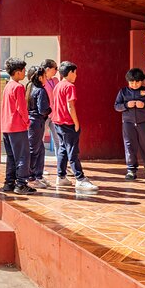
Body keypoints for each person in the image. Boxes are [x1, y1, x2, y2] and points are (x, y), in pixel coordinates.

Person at [52, 61, 99, 192]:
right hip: (68, 123)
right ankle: (80, 178)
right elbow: (70, 106)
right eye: (75, 72)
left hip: (58, 123)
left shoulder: (58, 86)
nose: (76, 75)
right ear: (70, 72)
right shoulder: (70, 86)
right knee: (72, 151)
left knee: (62, 149)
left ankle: (61, 177)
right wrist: (76, 123)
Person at [114, 68, 145, 180]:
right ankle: (131, 170)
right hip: (128, 123)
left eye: (137, 82)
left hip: (144, 123)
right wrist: (126, 105)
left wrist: (144, 105)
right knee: (129, 146)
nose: (134, 84)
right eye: (131, 82)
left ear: (142, 81)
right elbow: (116, 106)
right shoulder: (123, 92)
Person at [1, 58, 34, 195]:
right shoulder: (18, 87)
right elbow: (22, 107)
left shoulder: (8, 86)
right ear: (17, 72)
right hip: (17, 127)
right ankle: (21, 184)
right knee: (22, 156)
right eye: (23, 70)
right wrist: (27, 121)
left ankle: (9, 182)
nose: (25, 73)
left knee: (11, 156)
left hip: (7, 127)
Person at [26, 66, 51, 189]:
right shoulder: (40, 90)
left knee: (39, 149)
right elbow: (43, 110)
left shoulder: (29, 88)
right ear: (40, 77)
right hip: (37, 122)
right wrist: (49, 109)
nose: (46, 78)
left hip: (32, 122)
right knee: (34, 151)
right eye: (45, 76)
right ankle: (31, 177)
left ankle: (37, 175)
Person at [40, 59, 61, 158]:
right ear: (48, 69)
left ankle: (60, 166)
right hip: (44, 115)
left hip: (55, 115)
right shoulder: (40, 81)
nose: (57, 70)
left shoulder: (56, 81)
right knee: (40, 140)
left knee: (58, 140)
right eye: (55, 68)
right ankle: (40, 166)